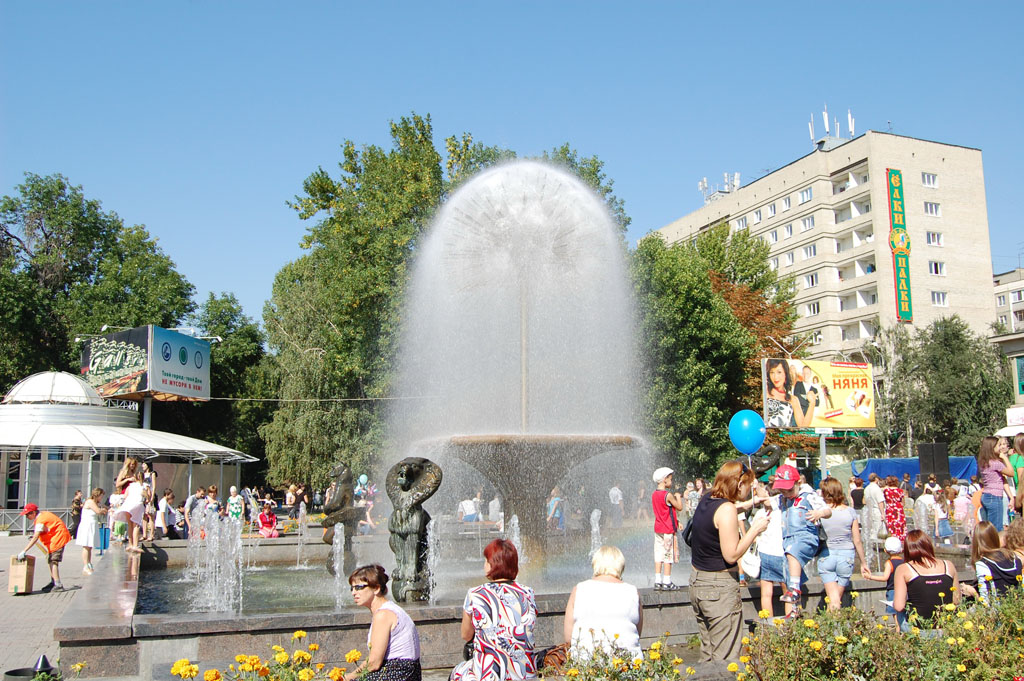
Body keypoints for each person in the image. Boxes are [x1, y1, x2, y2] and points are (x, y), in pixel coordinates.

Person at [689, 461, 767, 661]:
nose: (750, 489)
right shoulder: (726, 510)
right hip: (719, 589)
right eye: (749, 485)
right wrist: (754, 530)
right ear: (739, 483)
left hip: (698, 583)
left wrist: (752, 503)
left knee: (708, 654)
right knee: (725, 658)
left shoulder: (707, 499)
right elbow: (731, 555)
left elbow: (729, 510)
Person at [451, 539, 537, 681]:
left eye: (486, 561)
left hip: (489, 675)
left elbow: (466, 635)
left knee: (458, 671)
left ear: (493, 563)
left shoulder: (476, 594)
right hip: (524, 673)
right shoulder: (528, 593)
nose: (484, 565)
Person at [563, 545, 642, 660]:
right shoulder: (633, 592)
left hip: (586, 667)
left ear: (595, 564)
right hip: (629, 666)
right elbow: (637, 633)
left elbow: (568, 638)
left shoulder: (579, 590)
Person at [344, 565, 421, 681]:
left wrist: (347, 677)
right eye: (352, 588)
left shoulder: (383, 615)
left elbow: (374, 663)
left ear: (376, 588)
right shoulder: (390, 609)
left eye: (359, 587)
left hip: (397, 674)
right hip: (405, 673)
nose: (353, 593)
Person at [774, 464, 830, 608]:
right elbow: (767, 501)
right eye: (782, 489)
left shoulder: (809, 496)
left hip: (806, 537)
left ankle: (794, 589)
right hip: (789, 540)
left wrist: (819, 513)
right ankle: (793, 610)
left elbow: (828, 510)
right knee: (788, 569)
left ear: (799, 483)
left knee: (793, 552)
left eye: (789, 489)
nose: (786, 493)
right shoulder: (783, 498)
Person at [817, 477, 867, 610]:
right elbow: (857, 540)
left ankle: (830, 628)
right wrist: (863, 563)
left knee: (833, 601)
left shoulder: (820, 512)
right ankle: (835, 629)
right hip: (846, 557)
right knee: (835, 601)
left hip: (826, 555)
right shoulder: (850, 512)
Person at [892, 530, 959, 628]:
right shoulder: (948, 565)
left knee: (900, 611)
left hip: (919, 629)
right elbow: (956, 600)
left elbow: (899, 606)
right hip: (946, 626)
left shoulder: (903, 569)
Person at [958, 521, 1022, 603]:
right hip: (1015, 610)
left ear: (976, 542)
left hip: (997, 613)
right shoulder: (1014, 558)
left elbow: (986, 604)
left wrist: (972, 592)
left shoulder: (983, 564)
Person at [752, 481, 789, 618]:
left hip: (765, 553)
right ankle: (791, 623)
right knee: (788, 592)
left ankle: (768, 624)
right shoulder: (784, 512)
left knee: (766, 593)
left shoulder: (761, 513)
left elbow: (754, 533)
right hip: (782, 553)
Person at [16, 502, 72, 592]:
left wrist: (24, 550)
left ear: (33, 513)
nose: (26, 517)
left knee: (53, 561)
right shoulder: (43, 515)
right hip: (55, 539)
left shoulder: (41, 520)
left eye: (27, 515)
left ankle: (58, 584)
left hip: (58, 539)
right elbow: (46, 529)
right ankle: (53, 581)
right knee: (50, 560)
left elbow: (36, 537)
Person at [651, 467, 685, 591]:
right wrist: (677, 496)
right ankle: (667, 580)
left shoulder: (654, 494)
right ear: (664, 479)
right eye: (670, 479)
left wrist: (677, 521)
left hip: (658, 528)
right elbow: (679, 507)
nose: (672, 481)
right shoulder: (668, 495)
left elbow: (664, 512)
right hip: (667, 530)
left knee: (658, 553)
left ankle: (657, 580)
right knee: (667, 555)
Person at [861, 536, 906, 629]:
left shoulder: (889, 563)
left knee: (895, 614)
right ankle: (903, 629)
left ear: (885, 551)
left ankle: (898, 632)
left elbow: (885, 577)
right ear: (901, 550)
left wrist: (870, 577)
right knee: (903, 613)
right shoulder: (904, 562)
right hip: (904, 590)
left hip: (893, 591)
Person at [765, 358, 814, 428]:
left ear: (785, 373)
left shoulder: (793, 399)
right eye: (772, 372)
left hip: (784, 437)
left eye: (779, 372)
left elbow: (803, 426)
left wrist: (812, 403)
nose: (775, 377)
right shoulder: (765, 393)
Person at [978, 435, 1014, 531]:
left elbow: (1002, 479)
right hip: (994, 496)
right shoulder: (995, 463)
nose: (1000, 448)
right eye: (998, 445)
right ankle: (996, 546)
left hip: (986, 495)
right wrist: (1005, 458)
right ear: (992, 447)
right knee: (996, 529)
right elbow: (1011, 473)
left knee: (988, 529)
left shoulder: (984, 462)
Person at [112, 469, 146, 553]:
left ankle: (130, 544)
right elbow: (147, 496)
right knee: (136, 525)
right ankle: (135, 545)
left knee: (130, 524)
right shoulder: (144, 485)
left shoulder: (130, 486)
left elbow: (125, 496)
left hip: (128, 505)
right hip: (137, 504)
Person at [75, 488, 107, 575]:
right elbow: (98, 511)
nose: (101, 498)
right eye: (101, 496)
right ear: (97, 495)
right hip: (87, 525)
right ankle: (85, 566)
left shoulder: (95, 502)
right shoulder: (90, 501)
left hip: (92, 524)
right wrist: (102, 510)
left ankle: (89, 564)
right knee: (86, 546)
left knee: (90, 546)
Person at [882, 475, 907, 542]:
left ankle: (892, 541)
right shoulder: (900, 491)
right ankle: (901, 541)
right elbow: (903, 503)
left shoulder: (886, 491)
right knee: (900, 526)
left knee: (891, 526)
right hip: (899, 510)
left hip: (890, 510)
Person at [1010, 435, 1024, 513]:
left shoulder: (1011, 457)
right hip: (1021, 493)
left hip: (1015, 492)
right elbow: (1021, 478)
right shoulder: (1020, 459)